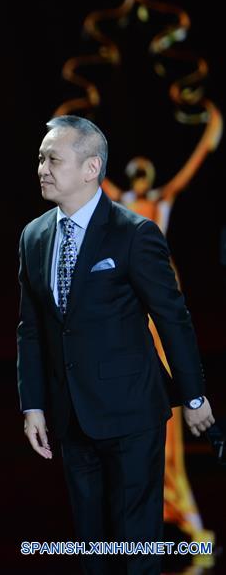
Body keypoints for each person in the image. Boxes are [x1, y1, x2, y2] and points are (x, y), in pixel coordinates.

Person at [18, 114, 216, 574]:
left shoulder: (135, 233)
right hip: (71, 416)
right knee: (92, 549)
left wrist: (193, 395)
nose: (42, 169)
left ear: (90, 169)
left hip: (132, 414)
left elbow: (173, 320)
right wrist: (33, 405)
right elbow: (30, 328)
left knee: (136, 549)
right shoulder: (33, 236)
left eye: (53, 159)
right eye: (40, 159)